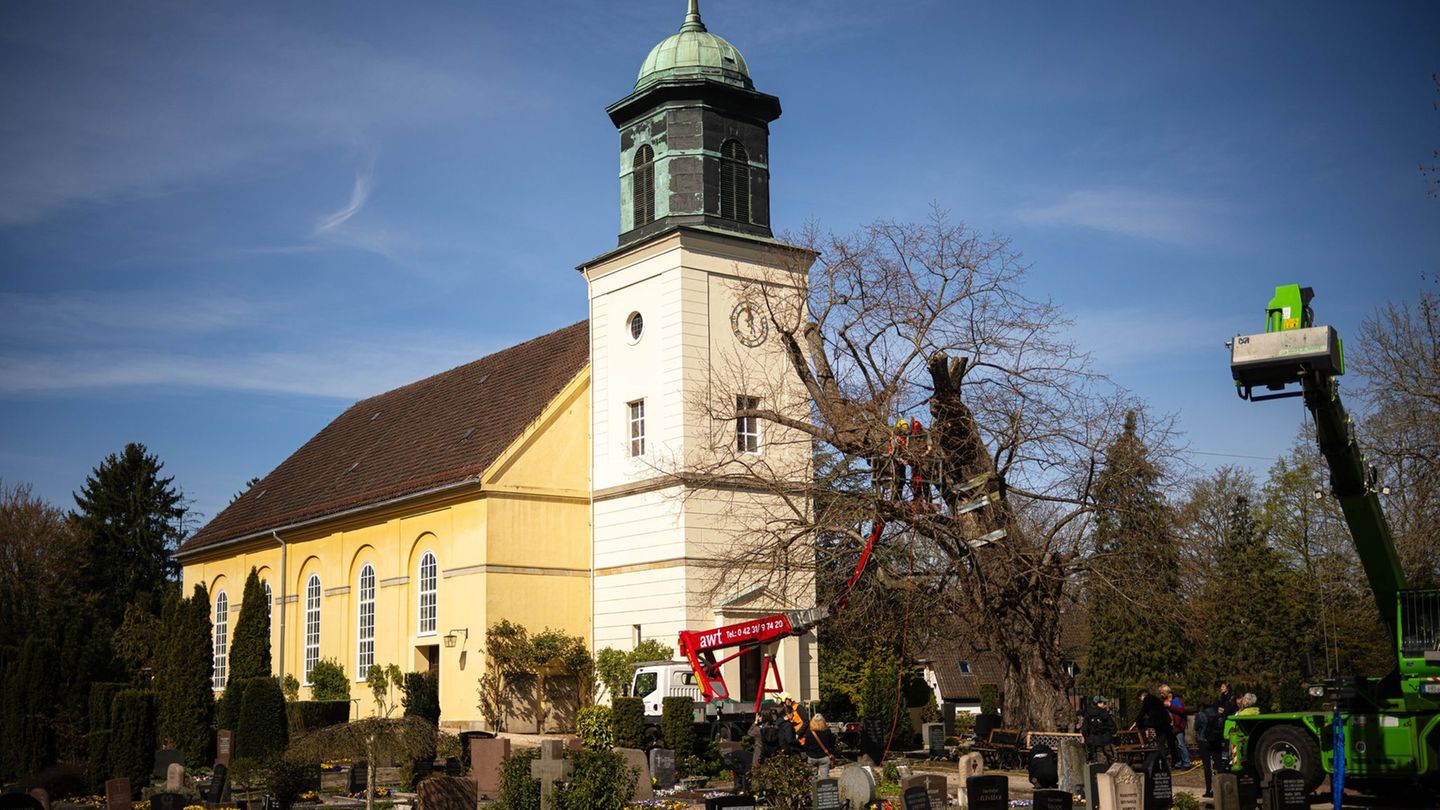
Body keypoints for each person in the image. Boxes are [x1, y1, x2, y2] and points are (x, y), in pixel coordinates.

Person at [1134, 688, 1177, 768]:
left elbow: (1143, 711)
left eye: (1140, 699)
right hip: (1164, 721)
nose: (1141, 701)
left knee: (1161, 743)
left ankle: (1162, 763)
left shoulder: (1147, 699)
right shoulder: (1154, 699)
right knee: (1168, 743)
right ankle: (1172, 761)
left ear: (1142, 696)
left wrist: (1137, 721)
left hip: (1160, 723)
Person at [1193, 696, 1226, 798]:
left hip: (1204, 741)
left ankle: (1209, 790)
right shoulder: (1218, 714)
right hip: (1216, 741)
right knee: (1219, 765)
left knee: (1207, 767)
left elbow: (1196, 727)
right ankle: (1223, 787)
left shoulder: (1201, 714)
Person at [1158, 684, 1192, 769]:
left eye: (1162, 693)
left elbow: (1181, 710)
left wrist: (1170, 705)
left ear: (1167, 692)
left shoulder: (1177, 699)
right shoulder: (1162, 701)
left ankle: (1187, 762)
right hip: (1169, 727)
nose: (1161, 695)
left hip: (1178, 726)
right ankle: (1177, 763)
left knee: (1181, 744)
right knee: (1174, 746)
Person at [1082, 695, 1118, 764]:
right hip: (1105, 739)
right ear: (1099, 703)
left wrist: (1087, 737)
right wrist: (1113, 733)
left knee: (1099, 758)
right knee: (1111, 758)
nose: (1105, 705)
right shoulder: (1104, 713)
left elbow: (1084, 728)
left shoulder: (1088, 713)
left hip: (1093, 740)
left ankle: (1100, 771)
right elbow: (1111, 726)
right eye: (1104, 703)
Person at [803, 714, 838, 779]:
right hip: (824, 756)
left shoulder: (809, 732)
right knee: (824, 779)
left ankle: (813, 788)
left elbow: (806, 746)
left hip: (812, 757)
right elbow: (832, 744)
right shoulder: (827, 731)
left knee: (812, 778)